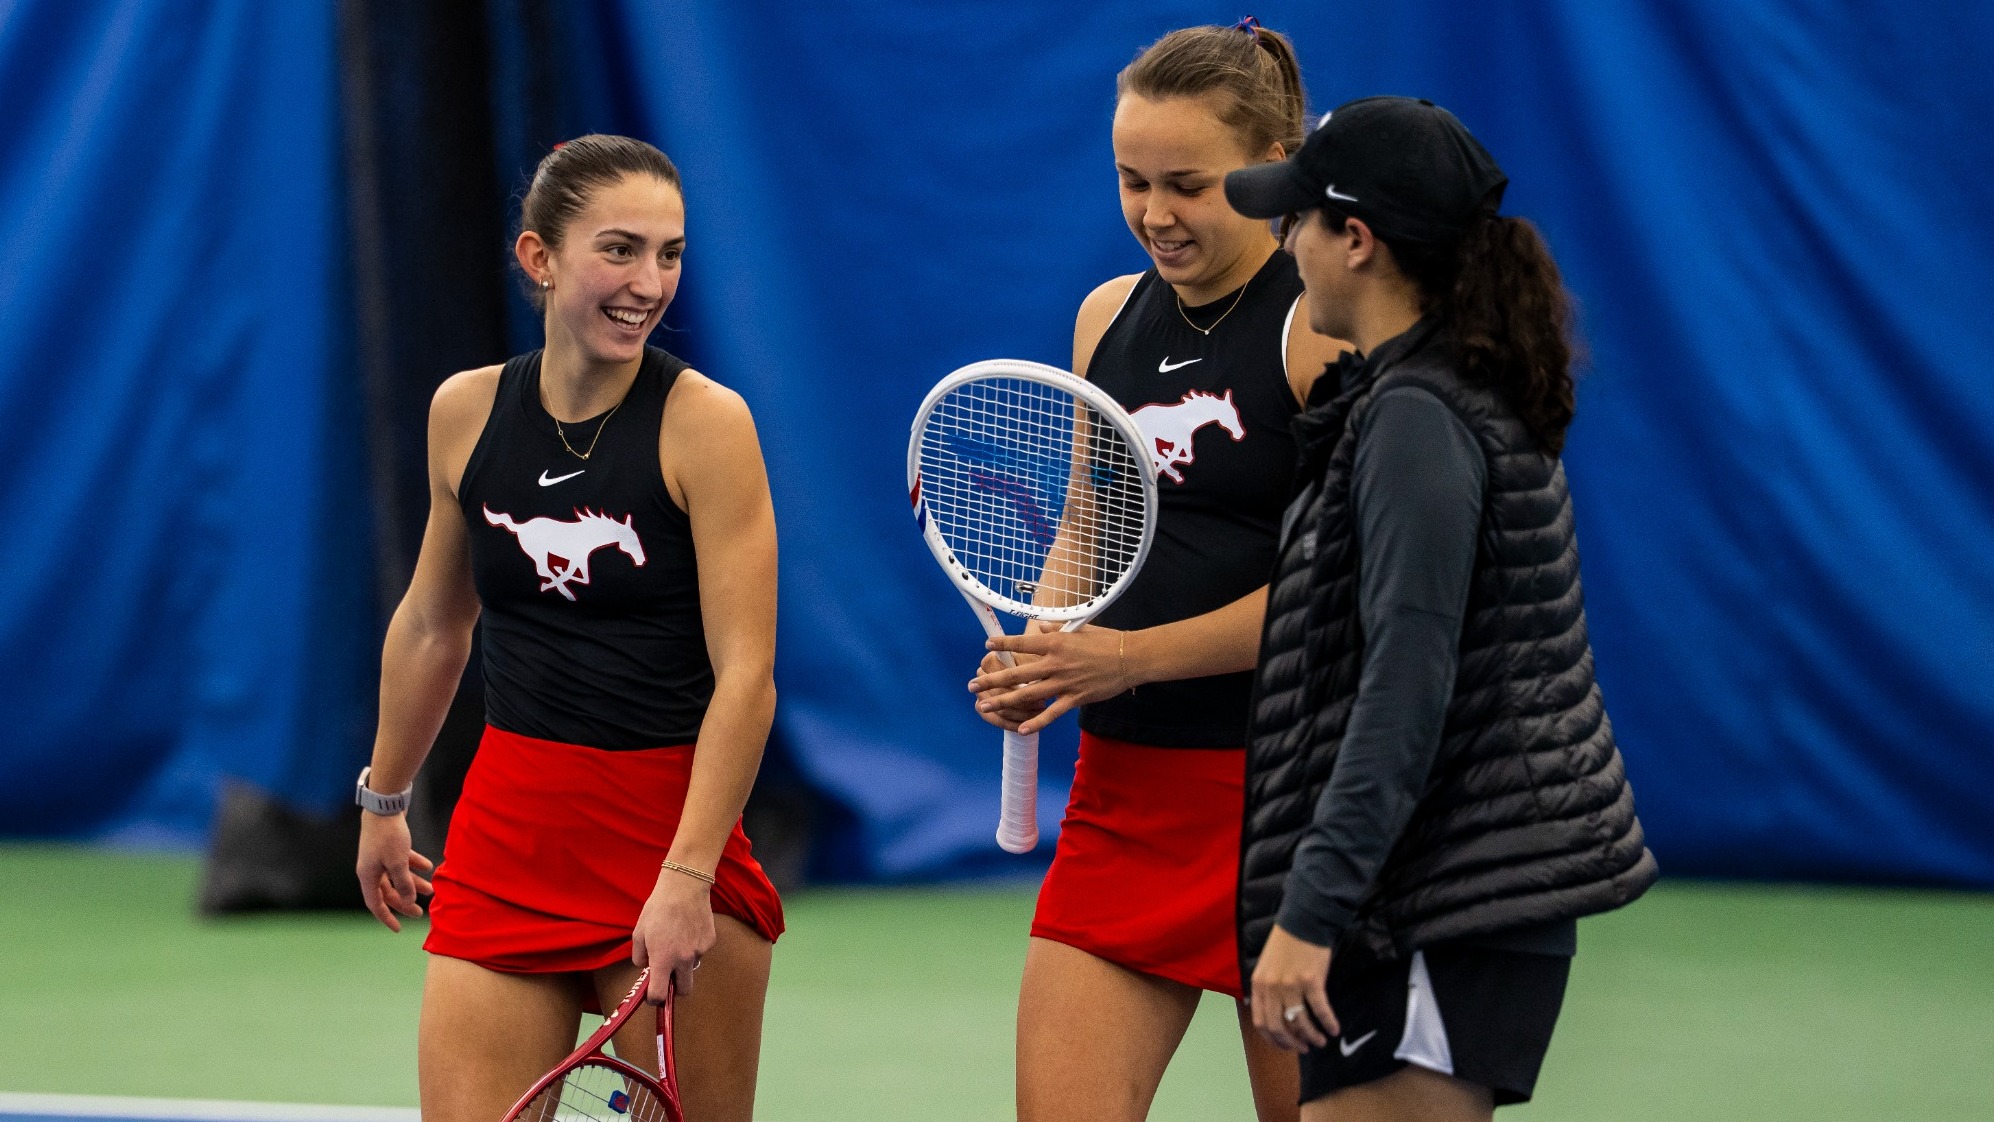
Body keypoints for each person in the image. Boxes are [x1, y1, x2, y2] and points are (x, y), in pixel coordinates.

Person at [1221, 97, 1659, 1119]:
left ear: (1357, 241)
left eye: (1297, 224)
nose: (1286, 248)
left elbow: (1405, 688)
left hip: (1435, 906)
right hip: (1435, 896)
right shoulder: (1421, 394)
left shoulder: (1416, 418)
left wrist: (1310, 911)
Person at [351, 134, 782, 1122]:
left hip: (667, 835)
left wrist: (687, 877)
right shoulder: (464, 412)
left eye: (669, 254)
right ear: (538, 258)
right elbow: (430, 623)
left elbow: (746, 675)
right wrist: (383, 802)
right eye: (619, 250)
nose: (649, 282)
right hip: (508, 833)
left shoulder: (707, 427)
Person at [967, 20, 1347, 1122]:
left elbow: (1339, 588)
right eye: (1132, 181)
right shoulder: (1104, 318)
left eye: (1187, 184)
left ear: (1273, 169)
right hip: (1124, 802)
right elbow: (1090, 522)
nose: (1154, 213)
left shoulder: (1319, 330)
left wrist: (1121, 657)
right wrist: (1046, 644)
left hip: (1292, 806)